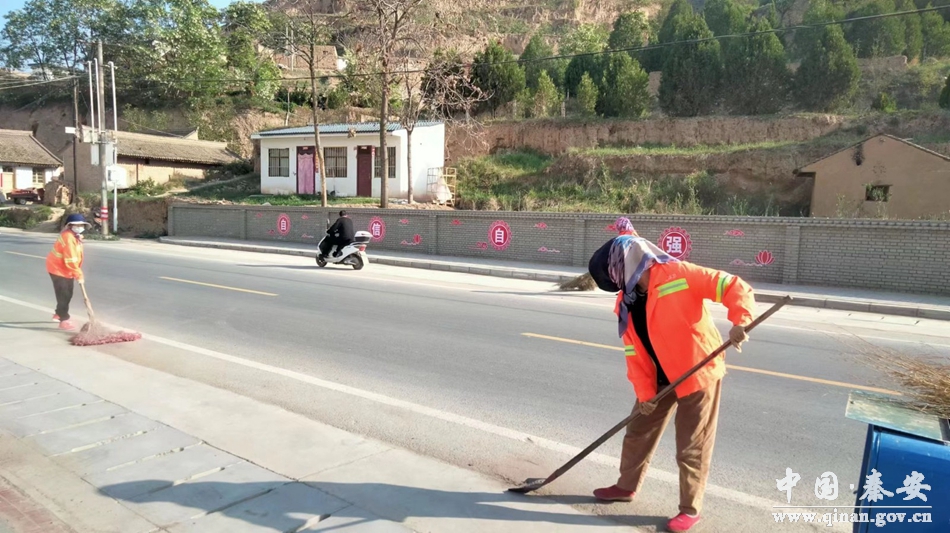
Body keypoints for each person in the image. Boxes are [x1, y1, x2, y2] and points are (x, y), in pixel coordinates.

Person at [588, 229, 755, 533]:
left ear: (627, 265)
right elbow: (634, 352)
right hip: (659, 380)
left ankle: (690, 510)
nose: (614, 283)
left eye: (613, 275)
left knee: (691, 446)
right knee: (638, 431)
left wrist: (740, 321)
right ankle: (626, 487)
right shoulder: (626, 301)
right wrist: (645, 394)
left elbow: (733, 285)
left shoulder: (679, 273)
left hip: (697, 373)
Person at [46, 214, 90, 331]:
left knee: (67, 293)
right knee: (64, 294)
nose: (79, 227)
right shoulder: (68, 238)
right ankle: (63, 319)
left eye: (81, 225)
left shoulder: (75, 236)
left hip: (66, 269)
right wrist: (78, 274)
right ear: (70, 226)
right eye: (77, 225)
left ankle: (58, 313)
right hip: (58, 269)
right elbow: (71, 259)